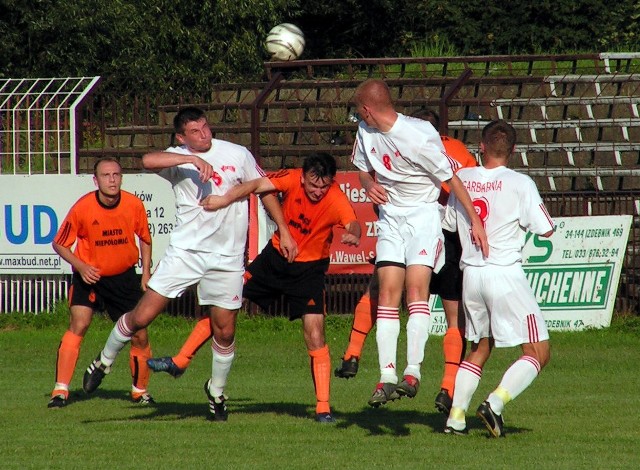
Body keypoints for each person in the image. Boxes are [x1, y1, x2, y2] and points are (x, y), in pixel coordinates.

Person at [81, 106, 294, 421]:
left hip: (226, 256)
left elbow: (265, 190)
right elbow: (147, 161)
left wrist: (284, 231)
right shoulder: (177, 158)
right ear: (182, 137)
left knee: (224, 331)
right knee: (142, 316)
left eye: (205, 127)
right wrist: (190, 158)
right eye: (195, 131)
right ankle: (104, 359)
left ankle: (217, 393)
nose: (204, 134)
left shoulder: (237, 153)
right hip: (186, 252)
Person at [147, 153, 361, 423]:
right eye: (312, 184)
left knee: (315, 333)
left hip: (309, 271)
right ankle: (180, 361)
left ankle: (323, 408)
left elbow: (353, 222)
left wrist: (353, 233)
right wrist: (225, 199)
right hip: (273, 260)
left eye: (323, 186)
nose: (318, 191)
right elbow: (254, 185)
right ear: (303, 175)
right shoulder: (291, 178)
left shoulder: (336, 198)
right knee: (224, 307)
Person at [350, 79, 488, 408]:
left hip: (424, 220)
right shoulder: (364, 132)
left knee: (415, 292)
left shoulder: (419, 135)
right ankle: (386, 376)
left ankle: (412, 372)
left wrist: (476, 221)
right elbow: (362, 170)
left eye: (358, 111)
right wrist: (369, 184)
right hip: (390, 220)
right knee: (386, 293)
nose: (358, 117)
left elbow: (451, 179)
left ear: (368, 109)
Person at [442, 120, 554, 437]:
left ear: (481, 146)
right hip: (504, 274)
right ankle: (495, 403)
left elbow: (450, 223)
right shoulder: (520, 183)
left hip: (472, 276)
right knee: (537, 352)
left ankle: (456, 418)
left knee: (480, 347)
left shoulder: (462, 178)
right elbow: (546, 227)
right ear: (514, 151)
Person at [48, 157, 153, 408]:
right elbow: (59, 243)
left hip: (124, 279)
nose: (112, 180)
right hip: (90, 277)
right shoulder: (83, 207)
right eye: (106, 175)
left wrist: (146, 272)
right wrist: (81, 267)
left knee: (139, 334)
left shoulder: (133, 204)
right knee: (79, 324)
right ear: (96, 180)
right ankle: (60, 390)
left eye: (116, 174)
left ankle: (140, 391)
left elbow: (145, 239)